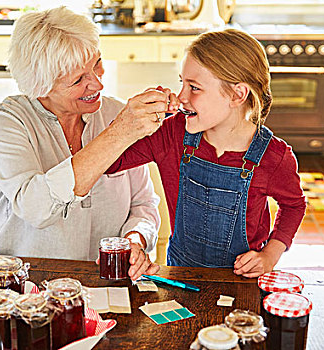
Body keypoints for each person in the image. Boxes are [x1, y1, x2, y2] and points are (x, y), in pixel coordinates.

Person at [0, 6, 168, 280]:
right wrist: (119, 134)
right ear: (41, 85)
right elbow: (37, 208)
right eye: (78, 79)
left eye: (97, 64)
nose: (97, 84)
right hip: (23, 283)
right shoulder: (7, 123)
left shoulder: (116, 114)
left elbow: (143, 204)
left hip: (107, 280)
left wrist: (135, 239)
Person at [106, 29, 307, 277]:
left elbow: (294, 205)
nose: (181, 98)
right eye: (182, 83)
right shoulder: (172, 133)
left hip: (241, 284)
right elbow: (109, 163)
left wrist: (271, 254)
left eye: (195, 88)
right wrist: (133, 121)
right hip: (180, 275)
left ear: (237, 94)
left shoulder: (273, 157)